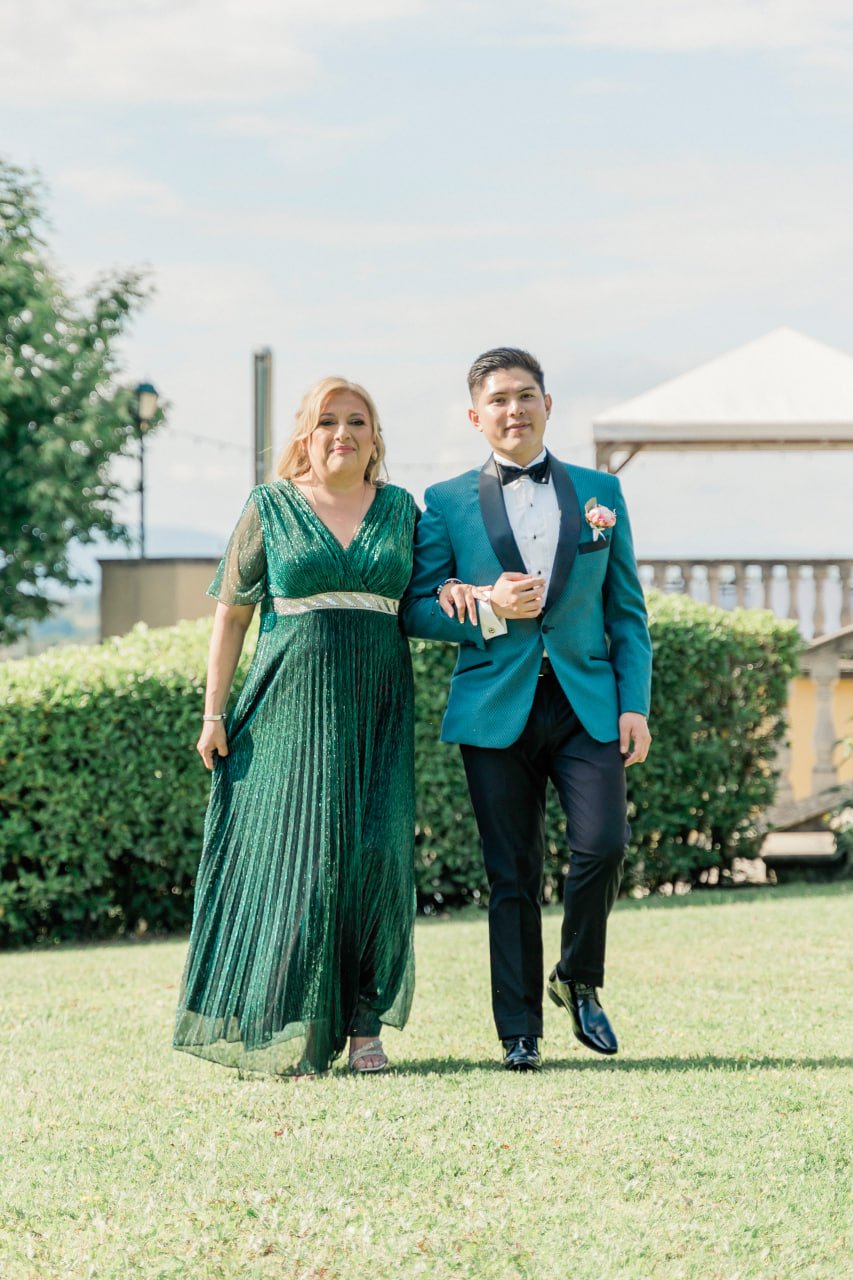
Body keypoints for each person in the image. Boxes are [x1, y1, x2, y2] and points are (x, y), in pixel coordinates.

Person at [401, 347, 652, 1072]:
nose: (513, 410)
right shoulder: (444, 502)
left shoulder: (601, 491)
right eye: (498, 400)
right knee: (511, 872)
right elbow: (417, 608)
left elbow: (626, 612)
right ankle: (518, 1031)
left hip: (586, 703)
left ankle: (577, 974)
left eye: (525, 395)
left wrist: (632, 703)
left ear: (547, 403)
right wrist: (482, 605)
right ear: (474, 417)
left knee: (603, 844)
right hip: (494, 706)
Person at [174, 377, 417, 1077]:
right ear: (304, 435)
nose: (342, 432)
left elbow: (426, 598)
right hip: (287, 710)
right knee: (303, 862)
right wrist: (213, 714)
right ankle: (296, 1022)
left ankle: (366, 1027)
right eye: (327, 421)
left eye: (357, 421)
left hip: (378, 707)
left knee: (377, 857)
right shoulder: (269, 507)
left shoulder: (401, 509)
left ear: (375, 438)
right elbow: (230, 614)